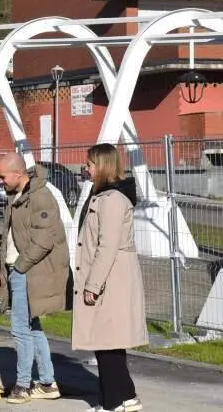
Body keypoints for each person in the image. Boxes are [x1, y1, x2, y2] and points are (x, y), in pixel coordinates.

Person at [73, 143, 146, 412]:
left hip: (110, 281)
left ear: (102, 166)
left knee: (106, 343)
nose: (86, 168)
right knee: (107, 343)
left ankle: (112, 403)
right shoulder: (102, 195)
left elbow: (108, 245)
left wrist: (93, 285)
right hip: (108, 278)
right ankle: (125, 396)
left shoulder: (113, 199)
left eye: (90, 164)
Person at [0, 152, 69, 405]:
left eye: (3, 177)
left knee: (20, 329)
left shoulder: (41, 197)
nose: (0, 182)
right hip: (17, 269)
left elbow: (44, 239)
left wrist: (19, 266)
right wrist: (1, 268)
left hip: (27, 271)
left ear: (18, 173)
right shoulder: (15, 195)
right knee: (32, 327)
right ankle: (48, 383)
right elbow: (8, 235)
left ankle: (23, 385)